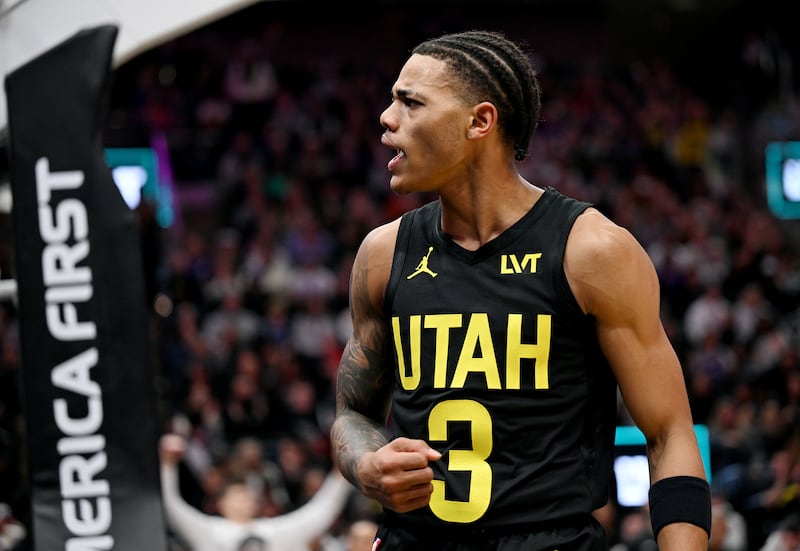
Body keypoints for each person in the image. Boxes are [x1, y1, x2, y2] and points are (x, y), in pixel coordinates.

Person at [330, 29, 711, 550]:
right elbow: (353, 414)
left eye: (411, 102)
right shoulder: (382, 253)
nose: (387, 118)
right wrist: (368, 465)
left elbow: (670, 434)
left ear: (480, 121)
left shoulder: (592, 250)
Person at [159, 433, 354, 551]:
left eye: (247, 495)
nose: (246, 499)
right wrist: (168, 464)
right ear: (221, 504)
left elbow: (320, 512)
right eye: (238, 495)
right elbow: (170, 505)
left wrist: (340, 473)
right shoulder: (206, 529)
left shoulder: (275, 530)